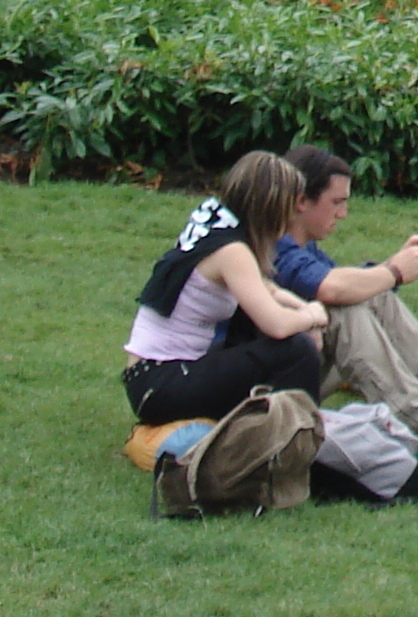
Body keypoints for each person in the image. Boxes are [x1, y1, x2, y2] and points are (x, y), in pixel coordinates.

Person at [271, 143, 418, 430]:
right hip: (261, 390)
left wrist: (391, 267)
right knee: (344, 310)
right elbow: (330, 289)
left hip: (294, 368)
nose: (343, 214)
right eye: (336, 202)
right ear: (301, 201)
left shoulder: (303, 246)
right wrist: (394, 272)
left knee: (375, 296)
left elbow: (344, 284)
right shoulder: (273, 246)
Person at [122, 150, 329, 426]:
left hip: (151, 377)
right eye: (293, 205)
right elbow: (277, 324)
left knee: (251, 330)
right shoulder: (232, 251)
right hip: (159, 383)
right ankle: (299, 442)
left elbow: (265, 289)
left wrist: (303, 307)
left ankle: (277, 427)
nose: (296, 214)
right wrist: (313, 317)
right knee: (296, 350)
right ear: (272, 206)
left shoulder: (216, 224)